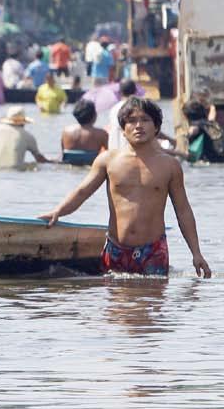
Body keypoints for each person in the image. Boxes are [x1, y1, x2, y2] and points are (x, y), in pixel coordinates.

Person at [39, 97, 211, 278]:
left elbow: (183, 210)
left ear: (156, 128)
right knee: (117, 304)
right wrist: (58, 211)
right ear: (123, 129)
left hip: (153, 251)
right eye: (131, 121)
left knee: (155, 302)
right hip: (116, 249)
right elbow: (82, 192)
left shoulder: (170, 166)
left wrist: (196, 253)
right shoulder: (108, 160)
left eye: (145, 120)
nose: (138, 126)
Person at [0, 106, 50, 172]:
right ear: (24, 122)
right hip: (16, 172)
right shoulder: (28, 136)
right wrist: (51, 162)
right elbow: (39, 159)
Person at [61, 99, 108, 166]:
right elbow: (109, 156)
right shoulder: (101, 134)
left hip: (69, 169)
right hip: (91, 168)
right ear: (94, 115)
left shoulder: (66, 131)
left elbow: (62, 155)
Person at [107, 79, 138, 150]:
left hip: (113, 150)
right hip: (129, 153)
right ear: (135, 91)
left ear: (120, 92)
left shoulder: (114, 109)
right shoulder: (138, 108)